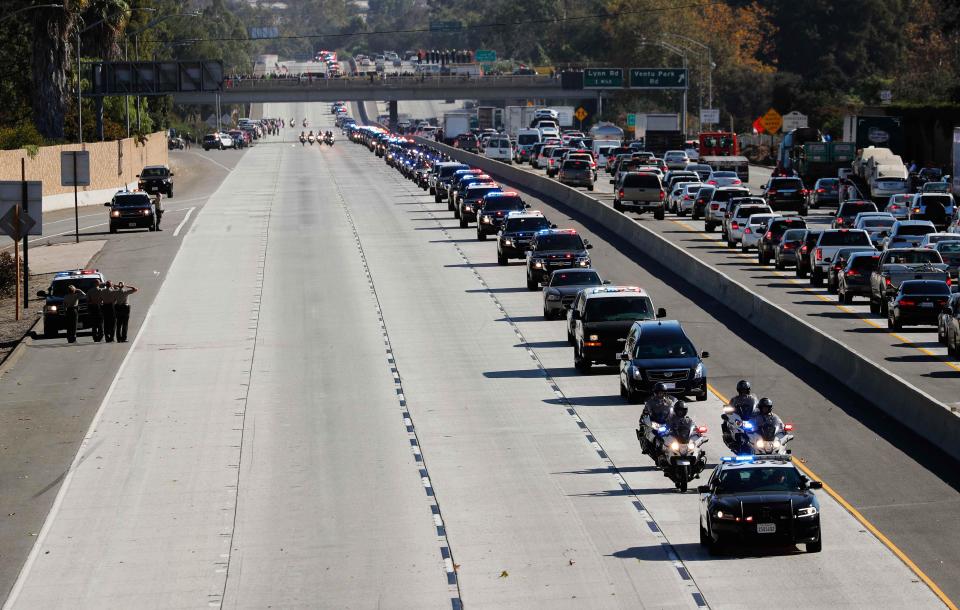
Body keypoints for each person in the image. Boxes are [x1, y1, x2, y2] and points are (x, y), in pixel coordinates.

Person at [724, 379, 758, 447]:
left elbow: (756, 406)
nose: (743, 392)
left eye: (745, 390)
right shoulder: (734, 399)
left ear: (748, 390)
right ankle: (728, 437)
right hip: (739, 418)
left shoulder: (752, 399)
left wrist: (758, 409)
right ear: (739, 390)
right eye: (742, 390)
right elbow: (729, 408)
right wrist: (728, 412)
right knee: (725, 421)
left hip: (749, 417)